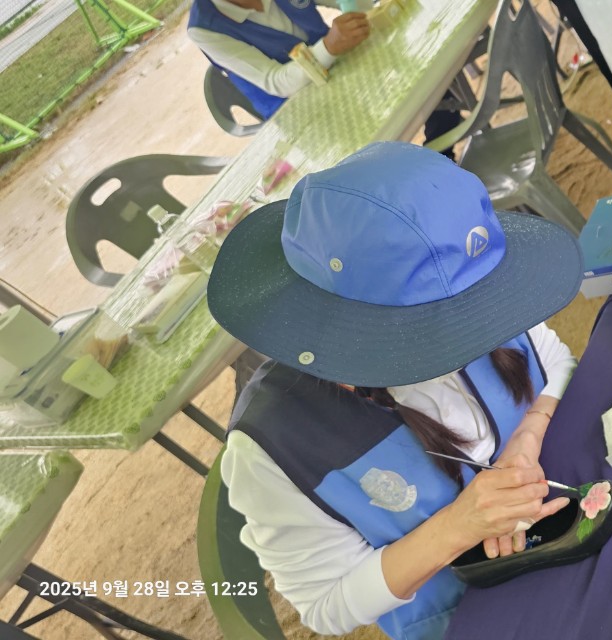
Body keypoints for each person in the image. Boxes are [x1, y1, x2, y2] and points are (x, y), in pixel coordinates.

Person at [205, 142, 583, 638]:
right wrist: (459, 526)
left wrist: (527, 438)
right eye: (432, 328)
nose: (469, 339)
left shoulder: (471, 283)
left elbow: (552, 357)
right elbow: (326, 605)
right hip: (466, 619)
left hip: (570, 525)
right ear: (337, 323)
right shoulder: (273, 446)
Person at [187, 0, 463, 150]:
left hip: (340, 68)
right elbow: (275, 82)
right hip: (298, 108)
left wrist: (365, 7)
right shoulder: (206, 28)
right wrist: (329, 46)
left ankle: (444, 150)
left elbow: (350, 2)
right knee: (365, 155)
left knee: (425, 63)